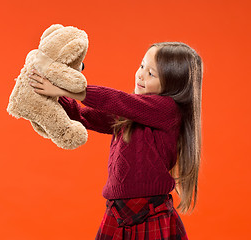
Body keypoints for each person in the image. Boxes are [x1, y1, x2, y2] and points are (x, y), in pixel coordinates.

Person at [28, 42, 203, 240]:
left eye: (151, 74)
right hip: (117, 213)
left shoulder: (168, 110)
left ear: (173, 84)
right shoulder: (131, 113)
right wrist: (52, 94)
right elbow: (83, 116)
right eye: (142, 65)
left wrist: (64, 88)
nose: (140, 74)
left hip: (150, 214)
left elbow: (117, 100)